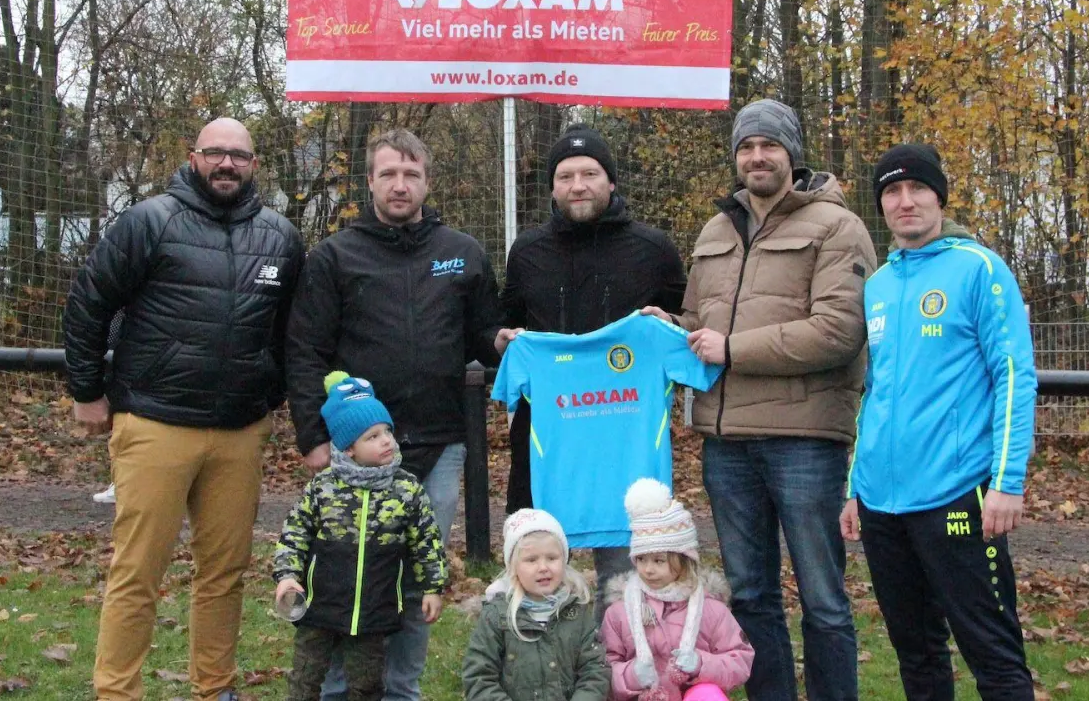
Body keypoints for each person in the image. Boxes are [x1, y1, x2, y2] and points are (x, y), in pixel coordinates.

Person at [63, 117, 305, 701]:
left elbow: (291, 334)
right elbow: (88, 305)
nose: (227, 164)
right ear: (193, 156)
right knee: (138, 571)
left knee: (223, 574)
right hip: (155, 423)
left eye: (239, 156)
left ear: (254, 164)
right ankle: (117, 691)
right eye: (216, 153)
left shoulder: (281, 237)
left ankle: (214, 688)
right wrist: (87, 391)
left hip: (240, 433)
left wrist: (273, 398)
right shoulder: (148, 222)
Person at [644, 99, 875, 701]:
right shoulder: (717, 229)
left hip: (805, 441)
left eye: (769, 145)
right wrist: (667, 325)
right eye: (746, 147)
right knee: (750, 594)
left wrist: (733, 349)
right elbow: (700, 324)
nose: (757, 157)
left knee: (822, 597)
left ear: (792, 155)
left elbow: (838, 332)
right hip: (727, 444)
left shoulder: (837, 226)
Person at [286, 128, 504, 701]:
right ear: (370, 182)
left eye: (411, 174)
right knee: (340, 575)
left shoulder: (463, 252)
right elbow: (305, 349)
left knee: (415, 574)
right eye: (389, 174)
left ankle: (400, 690)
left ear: (427, 181)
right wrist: (312, 436)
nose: (400, 185)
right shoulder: (334, 255)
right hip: (353, 452)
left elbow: (485, 337)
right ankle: (338, 690)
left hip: (438, 445)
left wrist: (509, 342)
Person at [839, 143, 1038, 701]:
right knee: (917, 653)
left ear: (939, 198)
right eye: (892, 192)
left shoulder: (980, 268)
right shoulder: (877, 285)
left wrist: (1006, 483)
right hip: (882, 505)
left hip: (958, 496)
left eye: (917, 189)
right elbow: (874, 392)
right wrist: (856, 487)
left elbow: (1014, 377)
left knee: (992, 651)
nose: (905, 202)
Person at [497, 124, 686, 614]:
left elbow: (690, 324)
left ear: (611, 181)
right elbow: (503, 323)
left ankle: (625, 670)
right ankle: (541, 673)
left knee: (625, 585)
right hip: (546, 439)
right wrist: (502, 340)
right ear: (553, 187)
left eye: (589, 173)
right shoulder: (528, 251)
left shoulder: (653, 248)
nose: (577, 184)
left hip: (624, 445)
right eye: (565, 176)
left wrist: (672, 324)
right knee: (537, 571)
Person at [274, 371, 449, 701]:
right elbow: (294, 533)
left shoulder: (406, 489)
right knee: (305, 678)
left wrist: (432, 587)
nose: (386, 440)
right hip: (319, 607)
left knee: (368, 683)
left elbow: (427, 542)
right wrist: (286, 577)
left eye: (387, 432)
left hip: (375, 609)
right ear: (349, 448)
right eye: (372, 436)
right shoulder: (323, 488)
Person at [600, 479, 753, 701]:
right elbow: (602, 666)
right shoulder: (619, 611)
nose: (648, 569)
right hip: (642, 696)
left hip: (691, 694)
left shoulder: (711, 608)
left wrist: (701, 664)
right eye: (641, 559)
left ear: (684, 559)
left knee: (708, 695)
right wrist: (630, 675)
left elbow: (740, 659)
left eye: (659, 560)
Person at [462, 508, 611, 701]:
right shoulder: (497, 617)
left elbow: (595, 671)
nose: (543, 567)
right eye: (531, 560)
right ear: (513, 567)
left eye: (551, 558)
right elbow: (479, 677)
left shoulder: (576, 612)